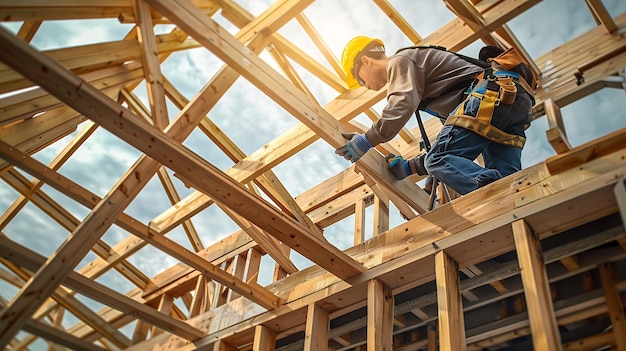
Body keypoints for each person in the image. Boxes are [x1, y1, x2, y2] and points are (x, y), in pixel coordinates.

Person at [335, 36, 535, 195]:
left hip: (489, 96)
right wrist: (410, 167)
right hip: (511, 102)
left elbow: (402, 103)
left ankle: (497, 196)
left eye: (360, 81)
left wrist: (367, 140)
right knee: (511, 181)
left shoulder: (399, 61)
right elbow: (453, 140)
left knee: (439, 159)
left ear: (365, 61)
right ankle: (518, 201)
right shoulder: (434, 84)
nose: (365, 87)